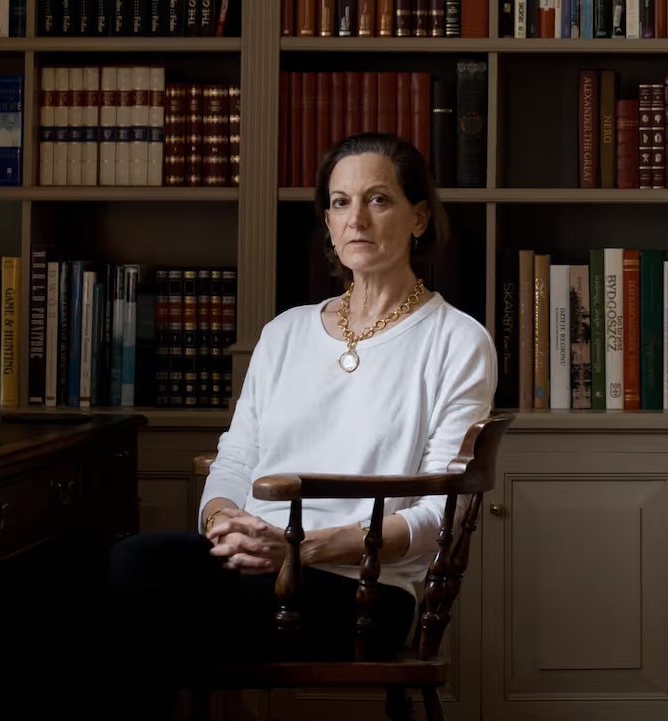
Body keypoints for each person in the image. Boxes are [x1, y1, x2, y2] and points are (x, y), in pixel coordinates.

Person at [96, 133, 498, 720]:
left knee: (134, 598)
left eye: (378, 199)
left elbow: (444, 513)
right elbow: (235, 458)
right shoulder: (285, 332)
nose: (355, 218)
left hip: (361, 592)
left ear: (419, 217)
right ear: (327, 222)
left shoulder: (457, 341)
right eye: (339, 202)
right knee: (113, 580)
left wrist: (300, 548)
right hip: (253, 567)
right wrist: (222, 524)